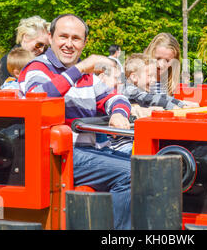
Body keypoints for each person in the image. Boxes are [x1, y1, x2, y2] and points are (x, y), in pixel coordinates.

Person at [18, 13, 132, 230]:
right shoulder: (37, 68)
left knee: (152, 163)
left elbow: (116, 98)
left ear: (84, 42)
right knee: (131, 173)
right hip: (55, 156)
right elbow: (39, 98)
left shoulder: (88, 77)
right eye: (63, 37)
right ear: (51, 37)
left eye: (76, 38)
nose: (69, 44)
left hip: (89, 152)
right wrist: (79, 68)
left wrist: (119, 113)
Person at [123, 53, 198, 110]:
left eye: (155, 76)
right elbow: (151, 99)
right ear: (134, 77)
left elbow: (162, 97)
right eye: (150, 76)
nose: (154, 80)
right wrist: (173, 107)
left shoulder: (144, 90)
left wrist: (182, 104)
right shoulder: (130, 90)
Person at [0, 16, 50, 84]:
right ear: (26, 37)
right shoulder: (7, 62)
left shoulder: (46, 60)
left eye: (45, 46)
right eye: (39, 44)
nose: (42, 50)